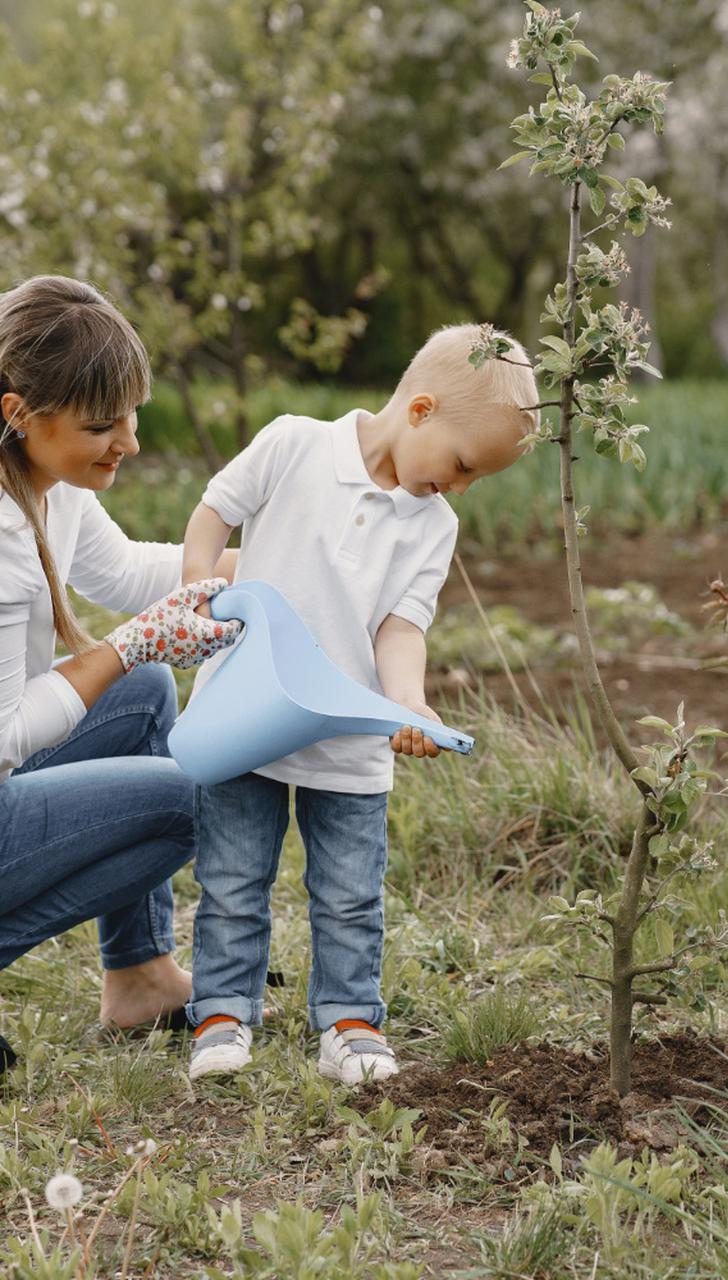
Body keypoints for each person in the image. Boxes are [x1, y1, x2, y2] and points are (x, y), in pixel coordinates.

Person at [181, 323, 538, 1084]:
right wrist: (198, 591)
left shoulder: (433, 526)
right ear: (420, 410)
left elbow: (400, 628)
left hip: (347, 743)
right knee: (234, 881)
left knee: (348, 894)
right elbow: (216, 511)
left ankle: (347, 1020)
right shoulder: (293, 445)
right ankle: (221, 1012)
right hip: (246, 720)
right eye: (463, 465)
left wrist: (407, 703)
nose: (463, 487)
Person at [0, 275, 240, 1071]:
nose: (129, 442)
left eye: (131, 413)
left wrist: (291, 566)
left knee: (141, 698)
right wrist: (132, 644)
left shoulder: (44, 484)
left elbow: (133, 574)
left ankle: (139, 976)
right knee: (187, 801)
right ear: (18, 413)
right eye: (103, 424)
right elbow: (3, 739)